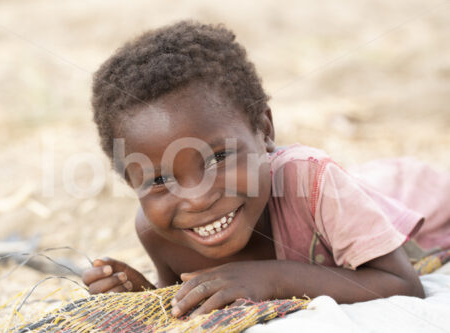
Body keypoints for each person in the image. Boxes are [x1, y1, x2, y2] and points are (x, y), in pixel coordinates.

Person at [82, 20, 450, 319]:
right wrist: (143, 295)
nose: (197, 199)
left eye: (217, 159)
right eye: (160, 180)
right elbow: (185, 301)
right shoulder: (158, 232)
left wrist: (273, 279)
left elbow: (403, 284)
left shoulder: (312, 182)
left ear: (265, 131)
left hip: (421, 201)